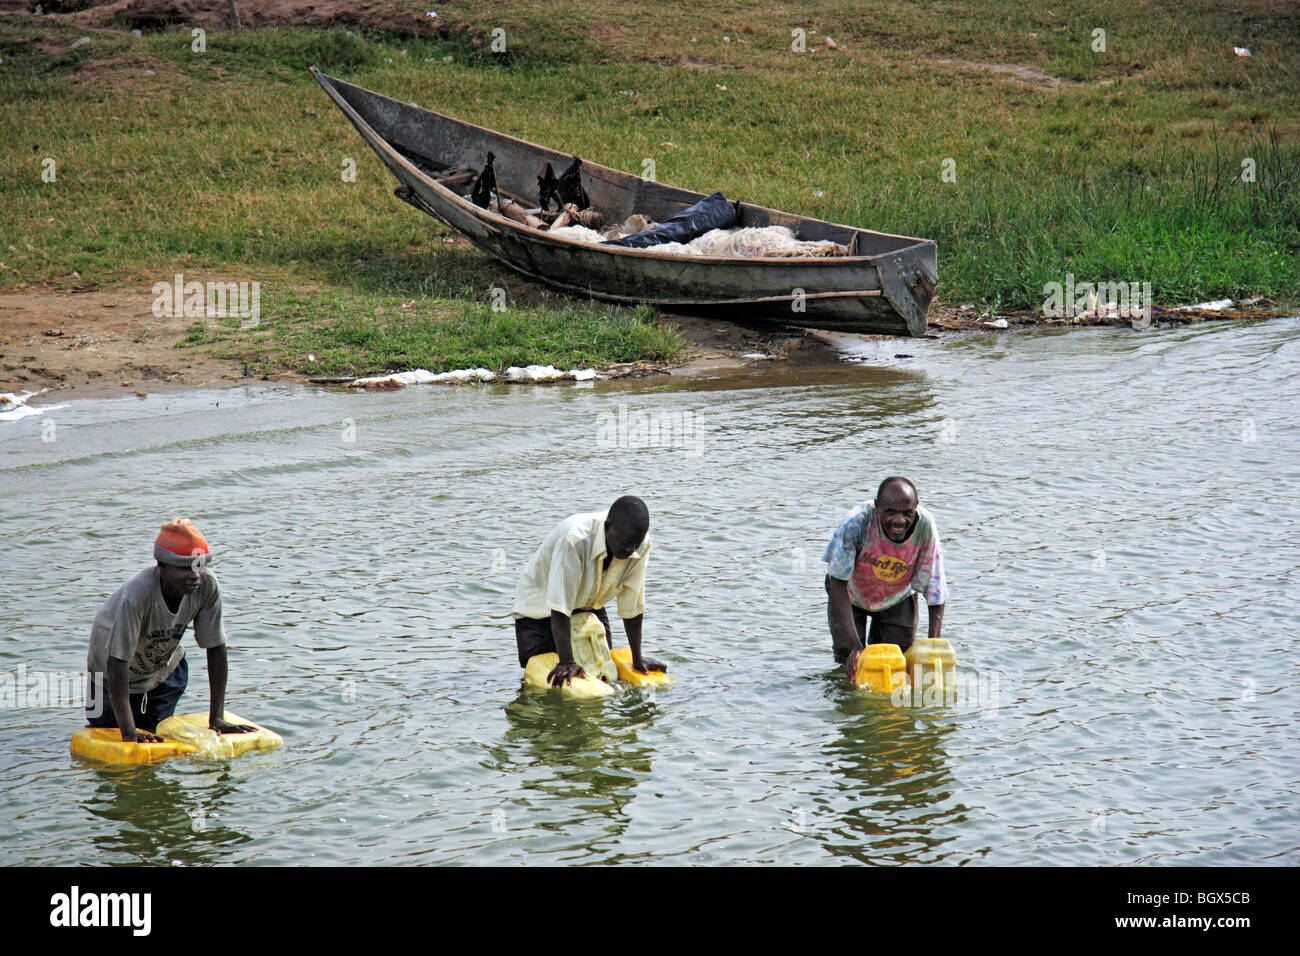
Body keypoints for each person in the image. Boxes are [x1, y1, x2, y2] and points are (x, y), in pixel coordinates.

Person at [85, 519, 256, 742]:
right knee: (109, 741)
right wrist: (128, 732)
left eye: (199, 566)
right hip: (108, 678)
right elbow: (116, 662)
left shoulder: (207, 586)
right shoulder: (137, 594)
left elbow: (215, 647)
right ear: (162, 566)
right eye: (185, 568)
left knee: (157, 742)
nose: (194, 576)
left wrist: (217, 718)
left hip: (162, 672)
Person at [511, 495, 666, 687]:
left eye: (636, 543)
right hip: (539, 611)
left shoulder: (639, 545)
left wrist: (637, 658)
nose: (630, 549)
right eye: (626, 543)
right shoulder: (574, 540)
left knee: (605, 677)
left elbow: (632, 604)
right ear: (608, 527)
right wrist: (567, 662)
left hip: (588, 605)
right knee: (549, 685)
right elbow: (560, 605)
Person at [823, 477, 948, 680]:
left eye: (907, 512)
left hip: (897, 597)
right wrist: (856, 647)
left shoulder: (925, 526)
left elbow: (935, 587)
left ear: (916, 507)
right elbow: (837, 582)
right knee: (848, 660)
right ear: (877, 507)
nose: (899, 520)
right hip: (850, 595)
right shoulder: (856, 522)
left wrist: (934, 646)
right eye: (890, 512)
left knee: (896, 660)